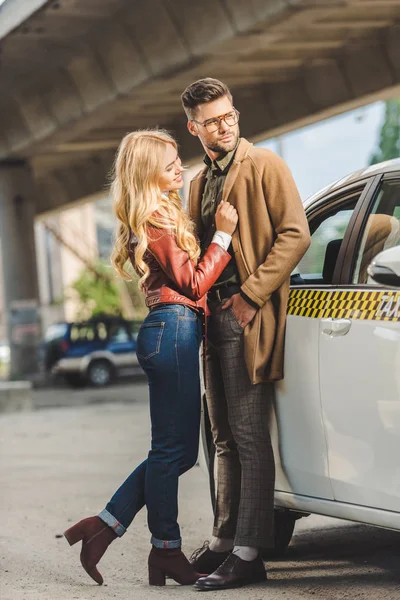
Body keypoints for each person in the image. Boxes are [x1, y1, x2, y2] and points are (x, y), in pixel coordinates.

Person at [63, 129, 238, 587]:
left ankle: (102, 527)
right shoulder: (157, 221)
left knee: (176, 454)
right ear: (148, 174)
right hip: (173, 330)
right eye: (169, 164)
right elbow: (194, 283)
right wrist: (223, 235)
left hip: (172, 333)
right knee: (172, 452)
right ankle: (165, 550)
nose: (180, 167)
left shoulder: (163, 215)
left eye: (179, 159)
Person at [180, 78, 311, 591]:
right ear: (195, 128)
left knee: (251, 436)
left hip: (245, 314)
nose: (225, 125)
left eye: (229, 114)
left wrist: (251, 296)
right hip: (209, 318)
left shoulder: (265, 165)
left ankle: (250, 552)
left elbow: (296, 233)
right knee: (222, 438)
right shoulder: (196, 184)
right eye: (212, 120)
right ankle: (221, 541)